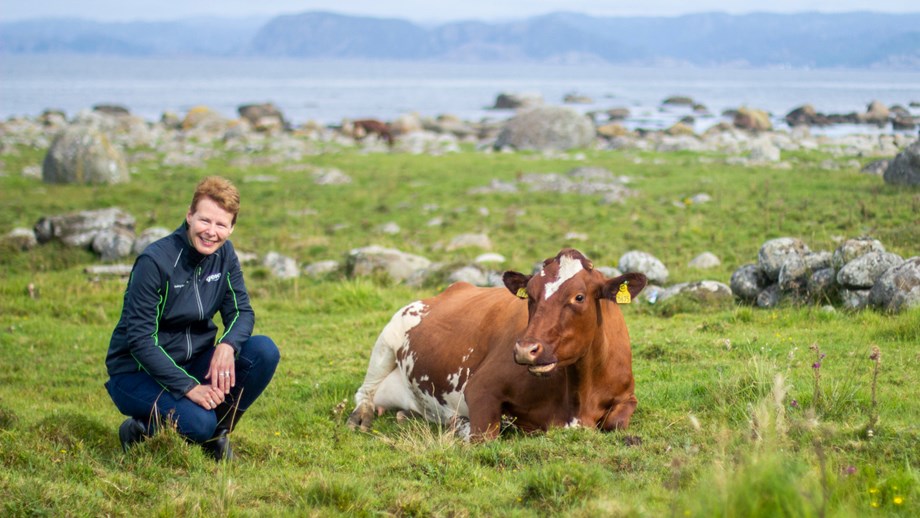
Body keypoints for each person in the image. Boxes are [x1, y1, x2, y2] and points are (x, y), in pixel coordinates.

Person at [105, 176, 279, 461]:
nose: (211, 232)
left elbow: (241, 312)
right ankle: (138, 430)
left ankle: (216, 436)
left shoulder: (225, 254)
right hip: (137, 373)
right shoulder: (155, 262)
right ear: (189, 215)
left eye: (221, 224)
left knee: (263, 351)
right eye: (205, 221)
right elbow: (140, 341)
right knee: (198, 422)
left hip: (194, 360)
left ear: (232, 227)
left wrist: (228, 345)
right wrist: (189, 387)